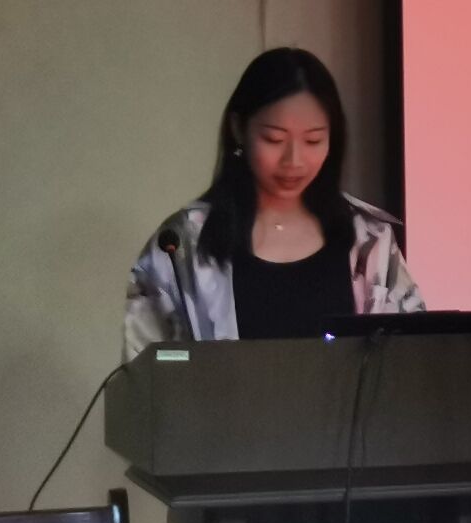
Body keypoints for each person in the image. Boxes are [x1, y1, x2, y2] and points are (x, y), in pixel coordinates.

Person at [124, 48, 423, 358]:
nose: (294, 160)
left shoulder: (368, 239)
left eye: (313, 140)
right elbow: (145, 367)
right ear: (238, 129)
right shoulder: (182, 244)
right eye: (274, 139)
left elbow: (414, 357)